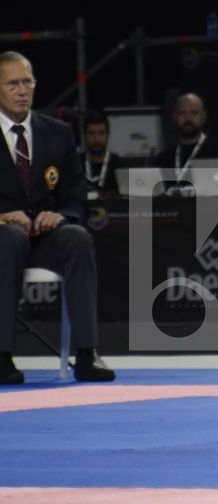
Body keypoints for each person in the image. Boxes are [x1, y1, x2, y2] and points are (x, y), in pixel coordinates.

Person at [0, 52, 114, 384]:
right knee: (10, 236)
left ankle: (86, 353)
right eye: (12, 84)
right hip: (4, 238)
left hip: (44, 236)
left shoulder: (58, 132)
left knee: (77, 236)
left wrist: (61, 214)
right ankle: (2, 355)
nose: (22, 90)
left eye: (27, 82)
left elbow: (77, 196)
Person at [156, 93, 218, 178]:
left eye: (194, 113)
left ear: (204, 116)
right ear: (174, 117)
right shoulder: (163, 160)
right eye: (182, 113)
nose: (188, 118)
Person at [81, 112, 117, 200]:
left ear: (108, 135)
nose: (96, 139)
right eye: (91, 133)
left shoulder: (119, 165)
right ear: (84, 135)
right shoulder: (75, 164)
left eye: (101, 133)